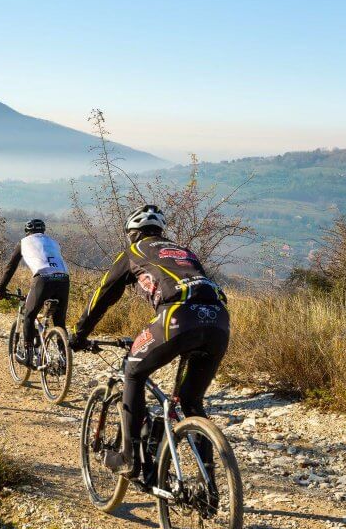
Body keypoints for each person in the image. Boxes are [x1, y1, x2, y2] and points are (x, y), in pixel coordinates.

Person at [70, 204, 229, 479]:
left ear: (133, 234)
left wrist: (80, 332)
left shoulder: (133, 252)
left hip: (177, 317)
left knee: (133, 371)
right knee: (191, 401)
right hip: (219, 322)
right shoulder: (185, 252)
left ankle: (129, 458)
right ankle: (209, 485)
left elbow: (103, 294)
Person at [0, 219, 70, 367]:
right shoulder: (54, 242)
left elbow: (10, 267)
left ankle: (28, 355)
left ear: (27, 232)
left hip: (43, 279)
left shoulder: (23, 242)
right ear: (43, 231)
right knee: (60, 322)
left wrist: (0, 288)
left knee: (29, 315)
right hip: (64, 280)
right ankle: (64, 360)